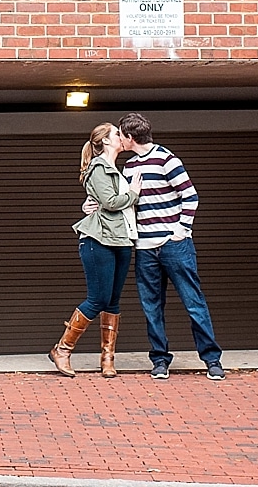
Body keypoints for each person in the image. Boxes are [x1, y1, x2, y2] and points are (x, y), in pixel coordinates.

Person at [118, 111, 225, 381]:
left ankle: (212, 360)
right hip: (144, 248)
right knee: (151, 306)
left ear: (130, 137)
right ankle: (159, 360)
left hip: (174, 245)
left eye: (121, 135)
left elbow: (190, 196)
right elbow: (127, 203)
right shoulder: (128, 167)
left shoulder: (167, 159)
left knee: (193, 302)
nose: (119, 139)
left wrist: (180, 231)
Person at [48, 123, 142, 378]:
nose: (121, 138)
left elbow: (107, 203)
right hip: (98, 239)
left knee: (112, 301)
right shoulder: (98, 168)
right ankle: (62, 350)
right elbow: (111, 203)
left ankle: (107, 358)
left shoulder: (115, 170)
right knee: (98, 299)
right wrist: (134, 193)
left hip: (122, 239)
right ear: (106, 141)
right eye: (117, 134)